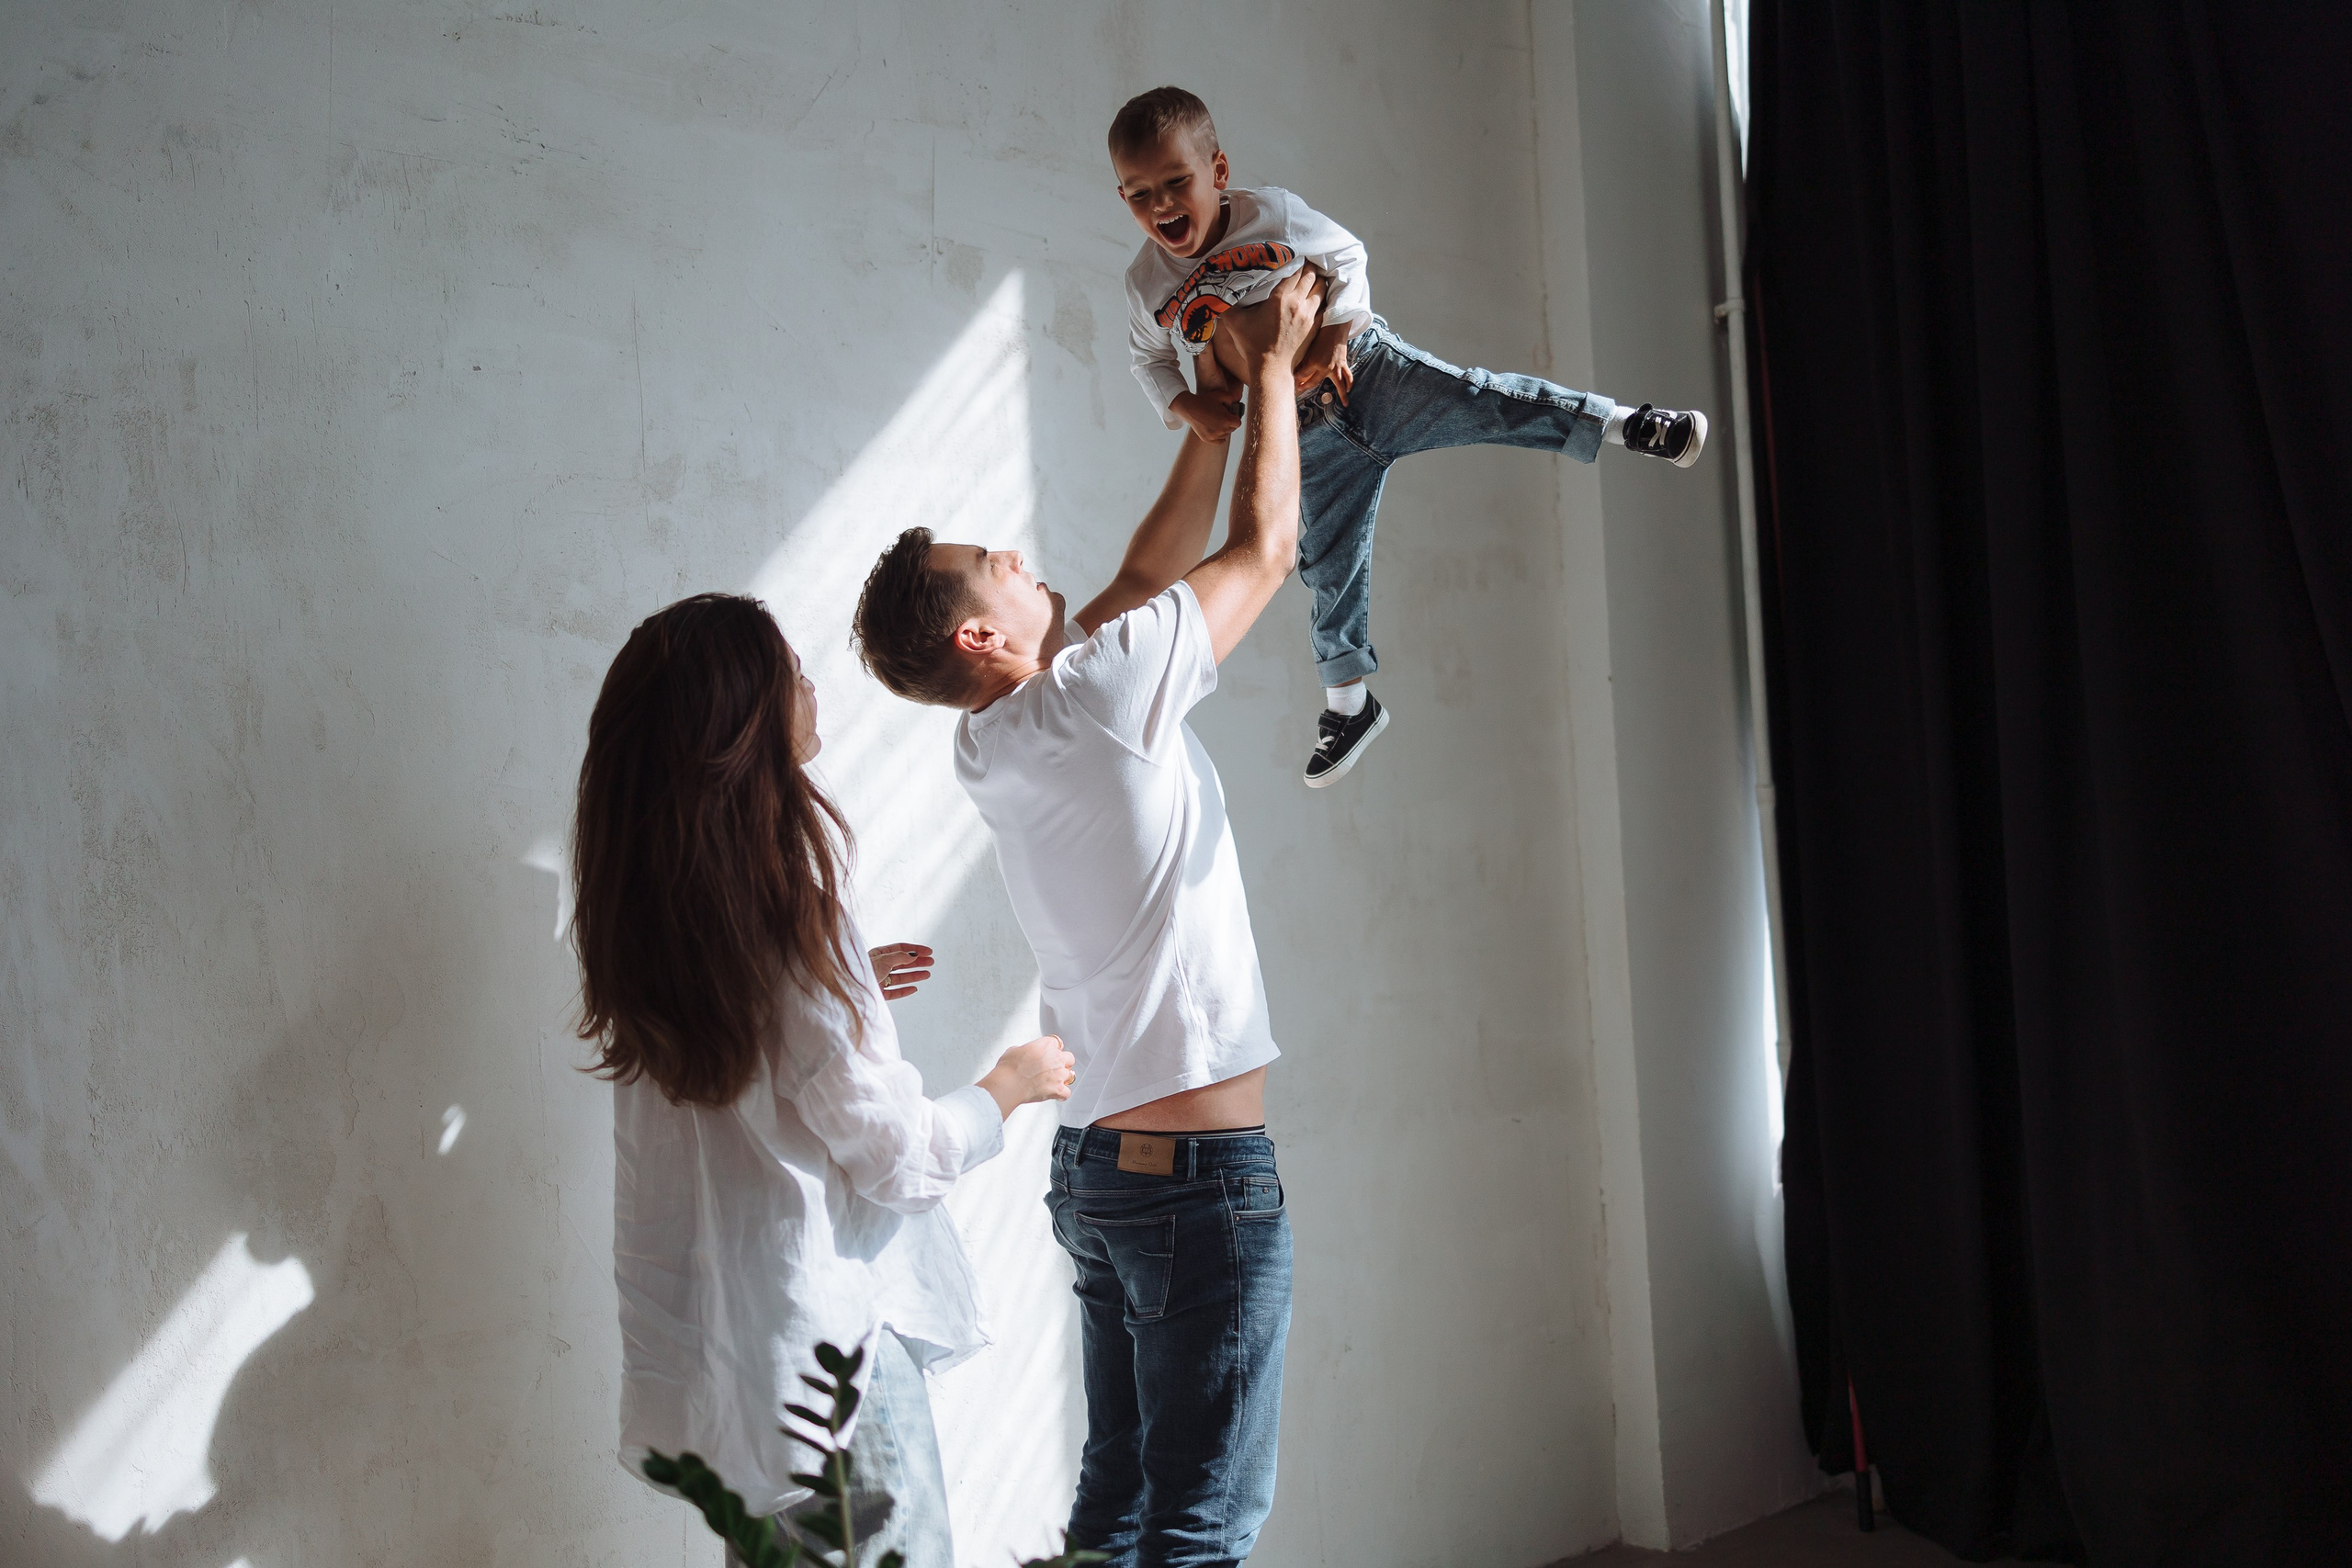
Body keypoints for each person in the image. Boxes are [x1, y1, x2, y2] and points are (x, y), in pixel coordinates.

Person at [851, 269, 1322, 1568]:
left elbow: (1125, 588)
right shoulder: (1100, 695)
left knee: (1119, 1510)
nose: (1017, 554)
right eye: (990, 566)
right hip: (1192, 1184)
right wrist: (1274, 366)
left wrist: (1206, 434)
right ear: (977, 637)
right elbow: (1264, 551)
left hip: (1105, 1175)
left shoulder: (995, 745)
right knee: (1199, 1523)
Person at [571, 593, 1077, 1568]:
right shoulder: (788, 922)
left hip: (742, 1377)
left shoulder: (653, 944)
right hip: (836, 1370)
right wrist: (1006, 1088)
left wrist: (839, 989)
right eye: (792, 673)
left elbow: (738, 1091)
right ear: (746, 721)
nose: (809, 688)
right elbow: (895, 1160)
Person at [1111, 84, 1711, 787]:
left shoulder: (1268, 213)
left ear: (1217, 172)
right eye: (1136, 193)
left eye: (1175, 182)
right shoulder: (1146, 282)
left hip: (1363, 374)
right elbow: (1146, 359)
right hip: (1302, 436)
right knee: (1325, 564)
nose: (1160, 207)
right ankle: (1348, 705)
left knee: (1484, 399)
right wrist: (1185, 404)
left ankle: (1627, 423)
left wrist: (1337, 333)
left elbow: (1349, 258)